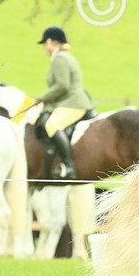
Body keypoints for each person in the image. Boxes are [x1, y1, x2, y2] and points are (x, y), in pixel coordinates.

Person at [34, 26, 94, 180]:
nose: (43, 48)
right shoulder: (63, 57)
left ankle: (69, 166)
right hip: (68, 101)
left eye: (44, 44)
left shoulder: (60, 59)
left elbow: (62, 85)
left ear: (50, 42)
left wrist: (42, 98)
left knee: (51, 125)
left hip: (73, 103)